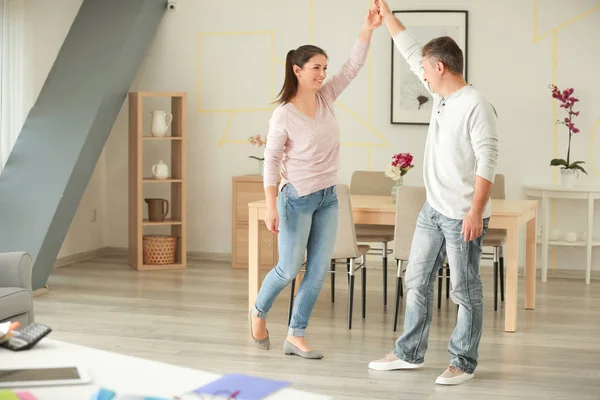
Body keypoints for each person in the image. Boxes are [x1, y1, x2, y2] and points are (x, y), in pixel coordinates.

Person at [367, 0, 499, 385]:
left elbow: (488, 158)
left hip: (462, 214)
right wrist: (387, 15)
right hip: (433, 209)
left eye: (426, 67)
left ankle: (463, 361)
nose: (421, 72)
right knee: (416, 279)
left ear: (440, 68)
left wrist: (475, 210)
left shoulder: (475, 104)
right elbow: (410, 50)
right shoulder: (441, 96)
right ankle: (409, 353)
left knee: (464, 288)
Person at [248, 8, 383, 359]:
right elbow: (272, 160)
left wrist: (366, 28)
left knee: (319, 270)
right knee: (289, 268)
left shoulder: (326, 97)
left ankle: (296, 334)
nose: (323, 74)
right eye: (316, 68)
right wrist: (270, 204)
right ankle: (259, 311)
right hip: (295, 199)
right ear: (297, 70)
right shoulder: (284, 113)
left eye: (325, 67)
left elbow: (353, 66)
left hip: (328, 197)